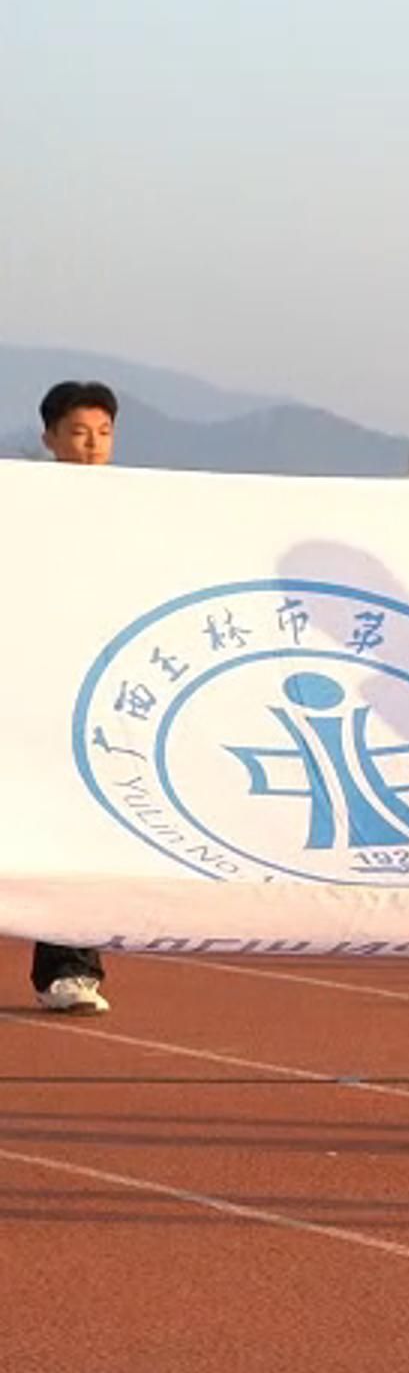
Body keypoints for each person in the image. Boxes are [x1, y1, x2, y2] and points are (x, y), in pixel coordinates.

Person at [30, 382, 119, 1015]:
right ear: (50, 439)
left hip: (89, 697)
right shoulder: (23, 504)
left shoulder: (135, 507)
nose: (92, 447)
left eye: (104, 434)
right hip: (26, 677)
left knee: (76, 825)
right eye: (80, 433)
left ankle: (71, 967)